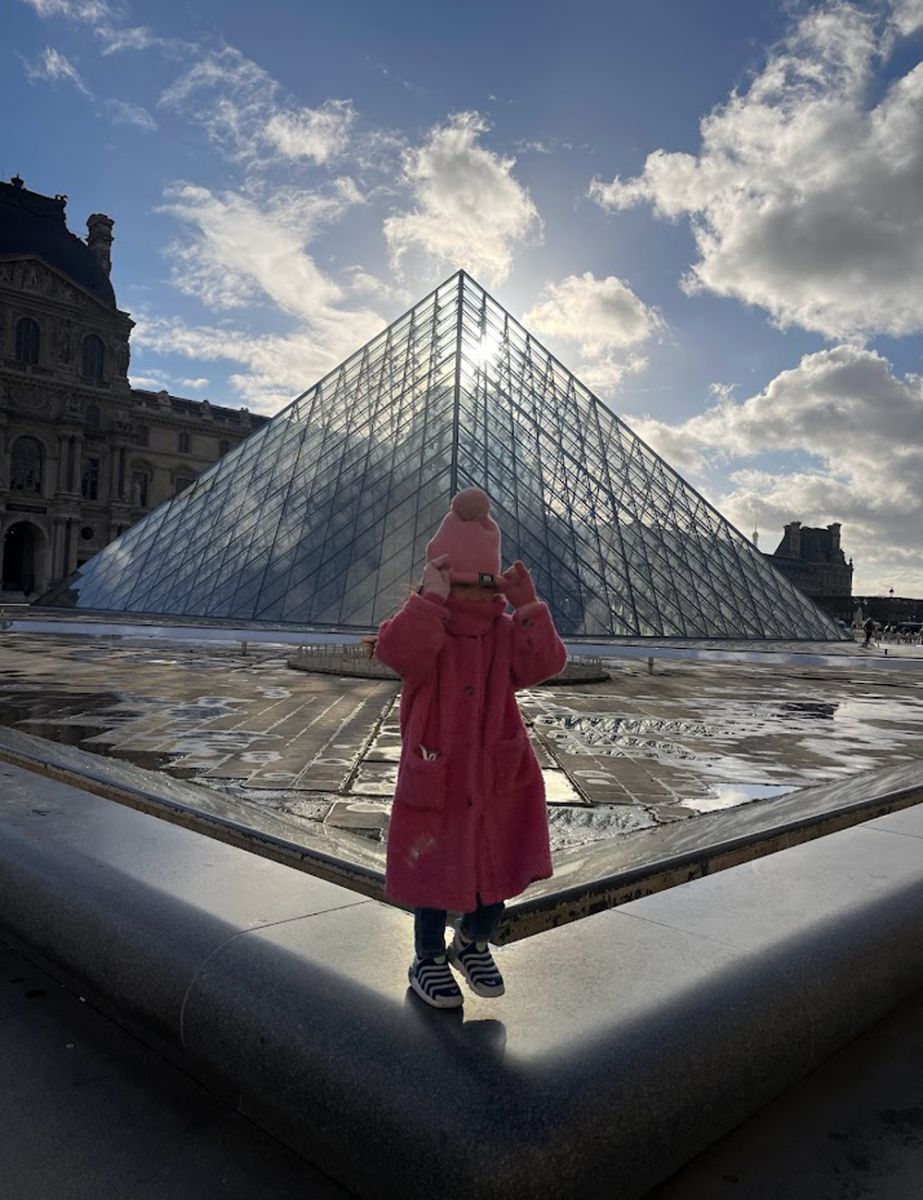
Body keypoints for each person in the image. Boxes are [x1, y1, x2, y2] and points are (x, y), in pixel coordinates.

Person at [373, 487, 567, 1009]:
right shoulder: (422, 626)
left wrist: (529, 606)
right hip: (439, 776)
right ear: (442, 577)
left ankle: (473, 942)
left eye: (486, 583)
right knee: (434, 879)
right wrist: (431, 599)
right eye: (465, 583)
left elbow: (544, 665)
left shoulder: (506, 631)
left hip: (497, 774)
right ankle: (427, 959)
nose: (478, 596)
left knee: (499, 868)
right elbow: (397, 652)